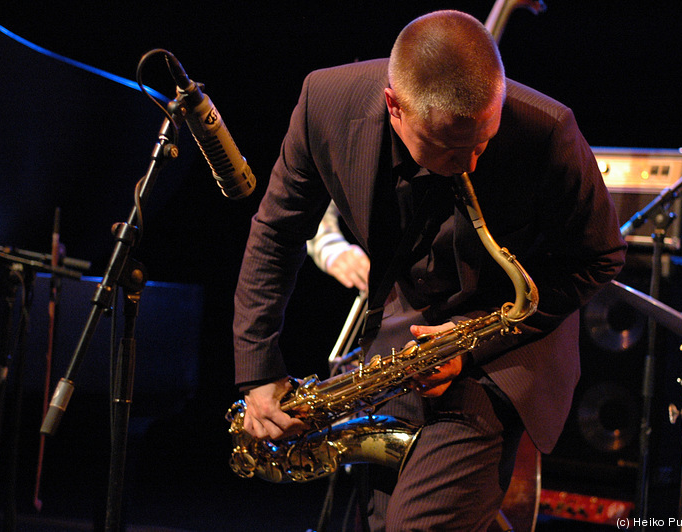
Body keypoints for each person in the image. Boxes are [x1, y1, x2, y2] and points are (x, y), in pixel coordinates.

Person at [233, 9, 626, 531]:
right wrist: (259, 370)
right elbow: (277, 231)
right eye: (449, 148)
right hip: (403, 339)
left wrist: (470, 346)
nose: (470, 165)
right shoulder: (324, 105)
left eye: (484, 141)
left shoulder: (548, 130)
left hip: (503, 349)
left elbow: (600, 255)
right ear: (394, 106)